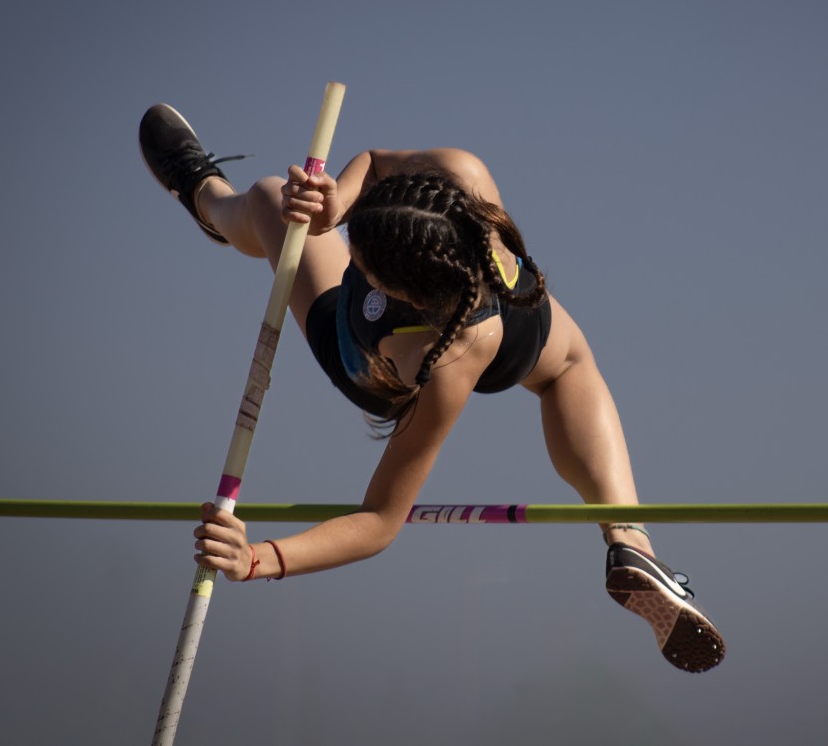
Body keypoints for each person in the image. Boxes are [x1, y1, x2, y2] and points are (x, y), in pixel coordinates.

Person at [139, 103, 725, 673]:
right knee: (570, 367)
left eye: (360, 258)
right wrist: (339, 201)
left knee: (268, 201)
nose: (349, 253)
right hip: (515, 310)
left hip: (387, 360)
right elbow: (373, 160)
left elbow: (378, 521)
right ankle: (630, 541)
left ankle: (203, 193)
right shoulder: (462, 174)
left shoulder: (437, 365)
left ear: (405, 291)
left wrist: (258, 560)